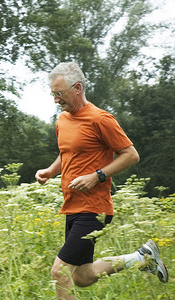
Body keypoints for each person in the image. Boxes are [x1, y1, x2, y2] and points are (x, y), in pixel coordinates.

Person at [35, 62, 169, 299]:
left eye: (59, 94)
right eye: (53, 94)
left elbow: (131, 155)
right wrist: (50, 170)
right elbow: (67, 152)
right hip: (72, 207)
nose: (56, 100)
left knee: (60, 272)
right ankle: (142, 257)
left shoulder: (100, 119)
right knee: (82, 277)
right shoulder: (63, 120)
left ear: (77, 88)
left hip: (94, 209)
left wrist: (97, 176)